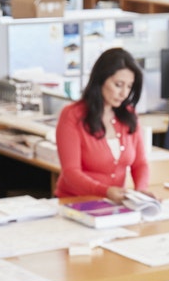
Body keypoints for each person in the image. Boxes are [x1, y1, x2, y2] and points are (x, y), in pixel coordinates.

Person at [56, 47, 150, 202]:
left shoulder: (129, 115)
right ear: (100, 80)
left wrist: (141, 191)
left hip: (113, 204)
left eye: (129, 86)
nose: (124, 93)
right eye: (118, 85)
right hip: (75, 202)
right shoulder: (72, 115)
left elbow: (140, 163)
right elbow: (70, 173)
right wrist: (105, 191)